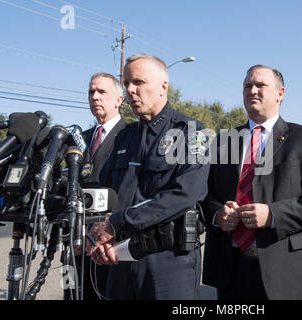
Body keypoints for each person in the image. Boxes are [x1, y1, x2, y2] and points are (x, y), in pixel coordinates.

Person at [202, 64, 302, 300]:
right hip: (231, 271)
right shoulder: (223, 142)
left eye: (260, 85)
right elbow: (204, 195)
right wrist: (217, 215)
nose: (252, 90)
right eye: (247, 86)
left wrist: (273, 214)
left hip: (285, 272)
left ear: (280, 93)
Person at [86, 53, 210, 300]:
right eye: (127, 83)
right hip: (119, 257)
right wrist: (96, 233)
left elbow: (184, 195)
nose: (131, 90)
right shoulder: (125, 136)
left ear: (164, 87)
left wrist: (117, 223)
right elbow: (106, 192)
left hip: (167, 261)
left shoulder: (192, 133)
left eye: (138, 82)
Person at [64, 72, 126, 300]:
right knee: (71, 294)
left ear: (119, 100)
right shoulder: (81, 139)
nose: (95, 97)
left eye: (102, 92)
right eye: (91, 92)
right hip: (74, 243)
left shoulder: (130, 136)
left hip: (106, 244)